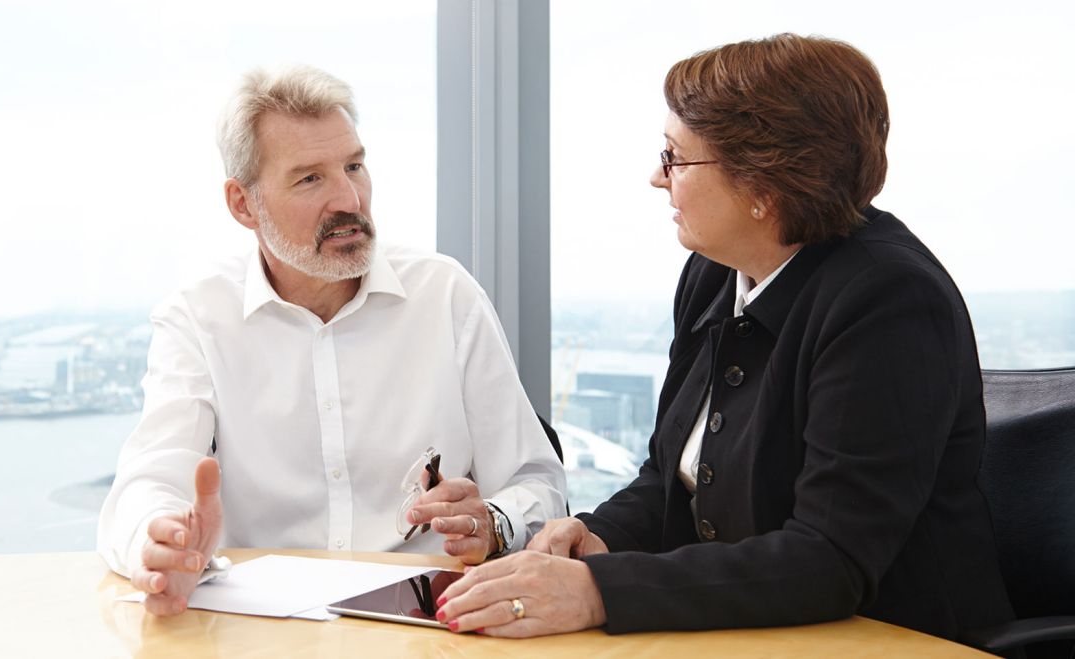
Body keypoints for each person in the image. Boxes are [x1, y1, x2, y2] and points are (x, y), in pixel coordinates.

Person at [431, 34, 1014, 642]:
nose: (657, 177)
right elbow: (669, 476)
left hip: (894, 642)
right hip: (748, 632)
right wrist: (598, 536)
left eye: (675, 158)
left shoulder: (886, 299)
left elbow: (830, 560)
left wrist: (599, 592)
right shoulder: (715, 273)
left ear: (764, 186)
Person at [96, 64, 566, 617]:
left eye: (354, 166)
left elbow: (536, 482)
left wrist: (494, 522)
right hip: (264, 633)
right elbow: (146, 484)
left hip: (429, 628)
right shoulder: (199, 317)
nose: (349, 198)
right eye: (309, 178)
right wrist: (160, 543)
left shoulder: (445, 294)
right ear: (243, 204)